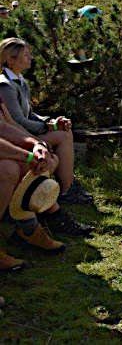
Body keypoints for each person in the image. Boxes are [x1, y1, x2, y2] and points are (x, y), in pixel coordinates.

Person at [0, 38, 93, 235]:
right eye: (26, 55)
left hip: (22, 135)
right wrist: (45, 130)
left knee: (61, 135)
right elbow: (17, 121)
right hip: (19, 136)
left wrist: (50, 122)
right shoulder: (6, 86)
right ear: (10, 60)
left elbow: (25, 116)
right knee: (59, 140)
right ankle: (64, 192)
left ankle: (51, 203)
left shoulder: (19, 81)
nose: (31, 58)